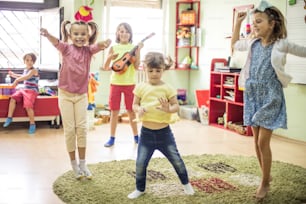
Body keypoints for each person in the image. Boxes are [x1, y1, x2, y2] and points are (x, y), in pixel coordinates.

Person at [231, 0, 306, 199]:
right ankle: (266, 175)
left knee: (263, 142)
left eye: (258, 21)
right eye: (253, 22)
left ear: (272, 24)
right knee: (256, 142)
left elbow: (303, 51)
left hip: (271, 95)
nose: (254, 25)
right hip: (253, 93)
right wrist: (238, 23)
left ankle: (264, 182)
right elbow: (234, 45)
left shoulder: (282, 44)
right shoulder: (253, 42)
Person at [40, 20, 111, 179]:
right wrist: (47, 34)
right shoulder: (66, 48)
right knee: (70, 130)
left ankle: (83, 163)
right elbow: (55, 42)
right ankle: (74, 164)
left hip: (81, 95)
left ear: (88, 35)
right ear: (71, 35)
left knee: (82, 129)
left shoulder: (88, 51)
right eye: (76, 34)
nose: (79, 37)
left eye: (83, 34)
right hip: (65, 94)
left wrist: (104, 43)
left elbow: (97, 46)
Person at [127, 52, 195, 199]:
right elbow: (134, 104)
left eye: (158, 70)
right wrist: (139, 109)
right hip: (146, 134)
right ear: (145, 69)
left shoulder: (168, 88)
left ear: (163, 69)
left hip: (164, 134)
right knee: (140, 163)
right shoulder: (140, 87)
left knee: (176, 160)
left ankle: (186, 184)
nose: (154, 74)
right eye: (151, 70)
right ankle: (140, 188)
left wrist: (168, 109)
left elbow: (176, 106)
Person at [102, 22, 143, 147]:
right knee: (114, 112)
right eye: (121, 31)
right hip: (115, 84)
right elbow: (105, 67)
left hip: (130, 84)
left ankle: (137, 137)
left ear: (130, 34)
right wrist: (110, 57)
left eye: (126, 31)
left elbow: (136, 67)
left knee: (131, 111)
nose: (123, 34)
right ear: (117, 34)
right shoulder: (113, 48)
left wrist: (139, 51)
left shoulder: (134, 48)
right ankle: (112, 138)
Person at [3, 53, 39, 134]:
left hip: (32, 91)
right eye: (27, 60)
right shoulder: (25, 70)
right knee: (13, 98)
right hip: (24, 89)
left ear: (34, 62)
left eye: (31, 60)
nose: (29, 62)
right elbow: (22, 76)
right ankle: (9, 117)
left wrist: (16, 80)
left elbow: (26, 77)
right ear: (24, 61)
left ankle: (32, 124)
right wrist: (13, 75)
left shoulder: (34, 70)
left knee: (28, 106)